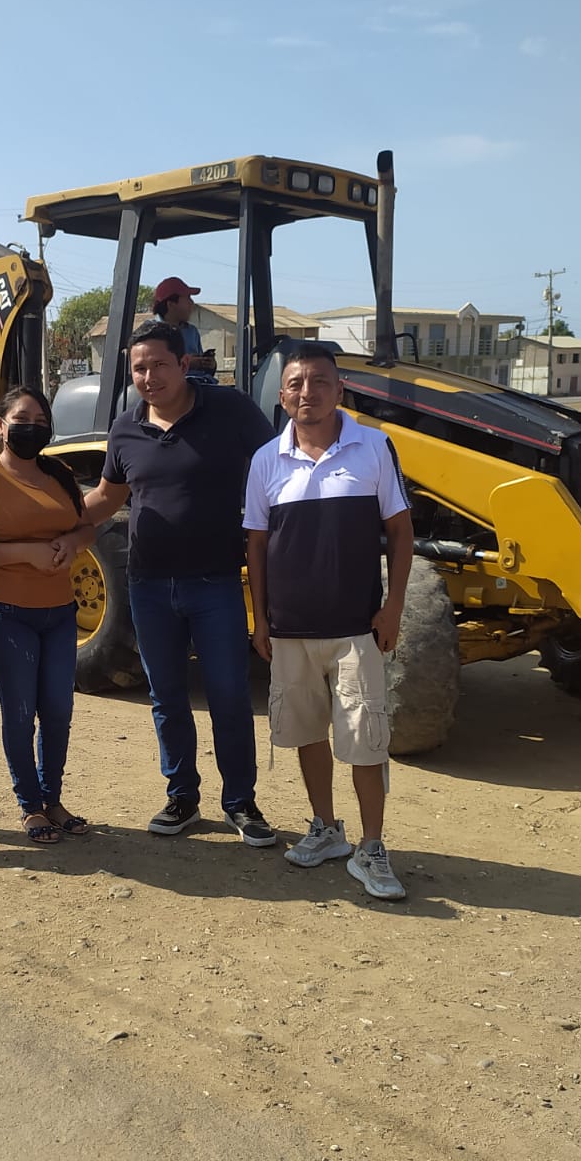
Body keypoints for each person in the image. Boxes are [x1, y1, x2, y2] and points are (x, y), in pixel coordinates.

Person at [56, 319, 276, 845]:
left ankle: (240, 802)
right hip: (149, 587)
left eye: (159, 364)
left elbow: (276, 464)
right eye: (139, 368)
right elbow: (107, 498)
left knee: (228, 695)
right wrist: (49, 520)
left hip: (216, 583)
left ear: (184, 364)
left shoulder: (229, 409)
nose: (149, 376)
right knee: (168, 698)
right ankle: (182, 797)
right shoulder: (126, 427)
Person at [244, 343, 414, 899]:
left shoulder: (374, 447)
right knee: (307, 734)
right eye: (296, 383)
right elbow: (257, 545)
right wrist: (262, 620)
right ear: (282, 396)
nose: (307, 393)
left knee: (366, 742)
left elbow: (401, 532)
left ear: (340, 389)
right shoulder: (266, 460)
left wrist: (393, 608)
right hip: (290, 631)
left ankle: (372, 847)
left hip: (356, 629)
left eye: (319, 381)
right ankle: (326, 828)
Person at [0, 385, 91, 845]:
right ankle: (30, 806)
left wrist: (72, 542)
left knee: (58, 710)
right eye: (22, 420)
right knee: (20, 711)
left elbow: (85, 527)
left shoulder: (59, 473)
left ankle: (53, 800)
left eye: (41, 421)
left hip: (60, 613)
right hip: (4, 615)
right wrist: (27, 553)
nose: (32, 428)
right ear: (1, 426)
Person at [151, 276, 217, 381]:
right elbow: (152, 369)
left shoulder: (192, 331)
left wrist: (209, 364)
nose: (192, 303)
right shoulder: (150, 334)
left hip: (199, 384)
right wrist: (187, 364)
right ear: (171, 304)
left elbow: (202, 368)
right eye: (188, 298)